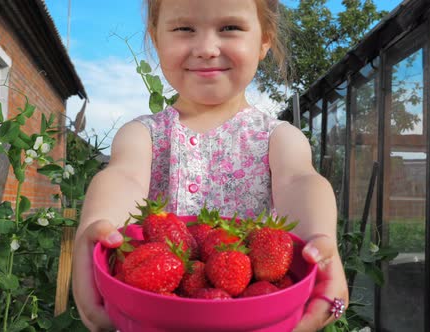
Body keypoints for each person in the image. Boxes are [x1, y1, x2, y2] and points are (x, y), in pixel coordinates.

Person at [72, 0, 349, 331]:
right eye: (184, 29)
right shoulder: (143, 135)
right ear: (156, 40)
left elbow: (300, 181)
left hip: (253, 317)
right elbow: (124, 177)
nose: (205, 48)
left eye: (229, 28)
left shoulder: (278, 138)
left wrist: (320, 243)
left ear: (264, 40)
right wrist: (98, 227)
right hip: (159, 318)